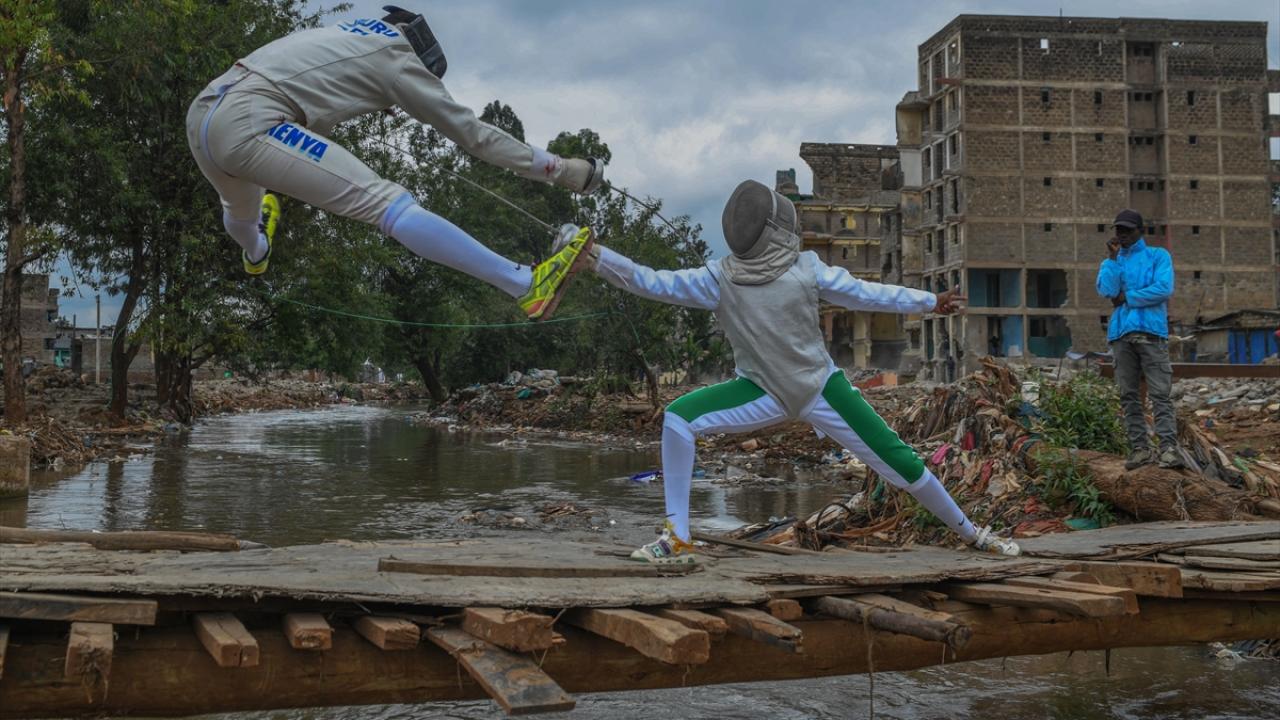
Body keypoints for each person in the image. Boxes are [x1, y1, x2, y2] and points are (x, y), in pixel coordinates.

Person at [561, 180, 1021, 563]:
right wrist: (595, 257)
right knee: (679, 417)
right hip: (763, 391)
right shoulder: (734, 276)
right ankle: (677, 537)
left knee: (901, 461)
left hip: (820, 388)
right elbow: (868, 294)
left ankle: (972, 534)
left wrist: (598, 257)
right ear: (779, 231)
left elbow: (648, 280)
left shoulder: (766, 274)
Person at [185, 5, 603, 321]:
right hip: (251, 124)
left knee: (238, 209)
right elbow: (475, 136)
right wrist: (563, 169)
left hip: (205, 114)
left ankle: (256, 250)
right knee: (388, 203)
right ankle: (526, 284)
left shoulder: (348, 33)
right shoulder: (400, 60)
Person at [1096, 209, 1183, 470]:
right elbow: (1107, 290)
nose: (1121, 234)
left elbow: (1163, 288)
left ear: (1140, 231)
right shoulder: (1113, 261)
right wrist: (1111, 260)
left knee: (1160, 394)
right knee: (1128, 395)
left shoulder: (1158, 256)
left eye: (1127, 229)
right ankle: (1140, 449)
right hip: (1121, 335)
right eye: (1118, 229)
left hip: (1151, 333)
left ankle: (1168, 449)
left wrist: (1128, 297)